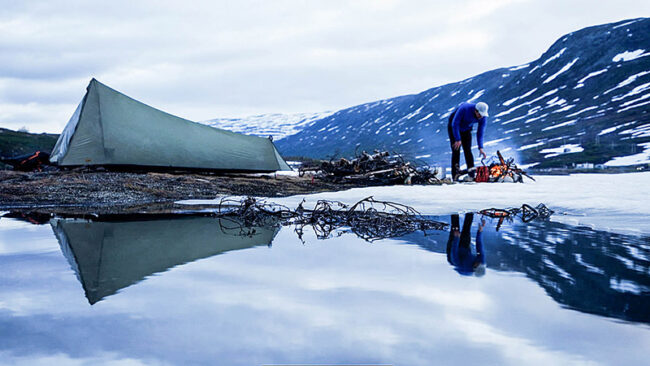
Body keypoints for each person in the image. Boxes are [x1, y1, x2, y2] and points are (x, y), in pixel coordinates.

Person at [447, 102, 489, 180]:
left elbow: (480, 132)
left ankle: (471, 175)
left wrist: (481, 147)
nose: (481, 117)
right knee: (456, 150)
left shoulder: (483, 117)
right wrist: (457, 139)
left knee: (468, 150)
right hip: (454, 127)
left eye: (482, 115)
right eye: (479, 114)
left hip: (466, 129)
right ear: (475, 111)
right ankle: (455, 176)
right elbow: (455, 123)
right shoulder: (465, 108)